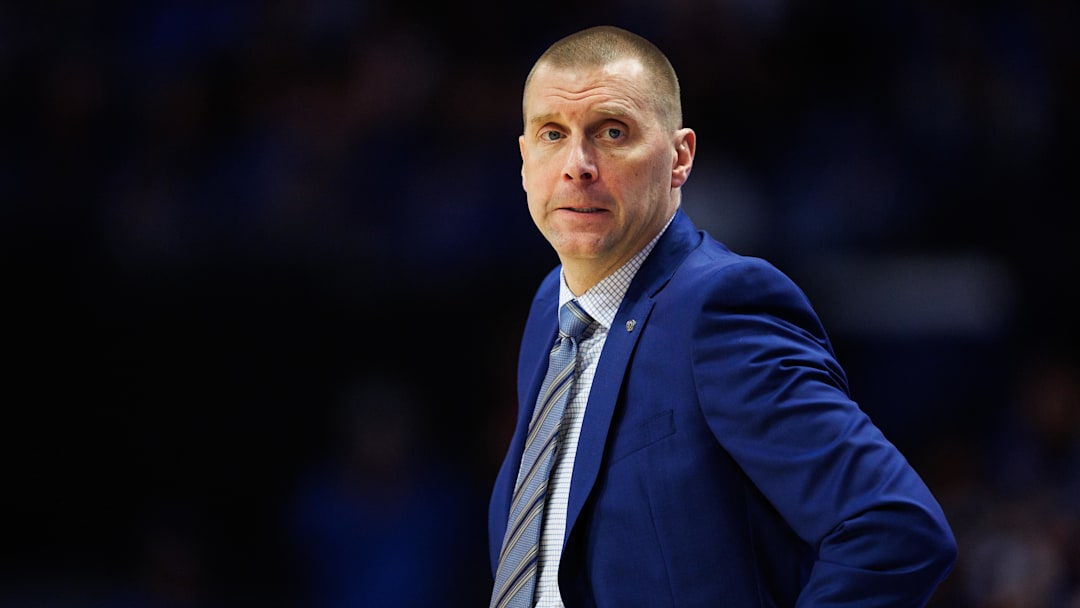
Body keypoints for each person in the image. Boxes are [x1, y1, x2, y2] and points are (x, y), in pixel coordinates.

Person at [487, 25, 957, 607]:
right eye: (553, 134)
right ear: (526, 158)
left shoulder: (719, 308)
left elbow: (895, 528)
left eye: (613, 132)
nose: (578, 164)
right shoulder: (550, 310)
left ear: (680, 156)